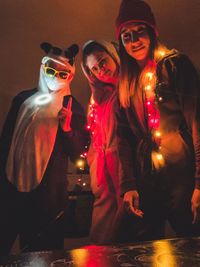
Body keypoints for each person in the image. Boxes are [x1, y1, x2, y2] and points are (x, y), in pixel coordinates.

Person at [113, 0, 200, 242]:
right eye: (126, 36)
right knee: (144, 244)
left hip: (181, 175)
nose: (134, 41)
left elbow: (197, 122)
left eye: (139, 31)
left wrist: (199, 182)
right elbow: (123, 138)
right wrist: (128, 184)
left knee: (190, 240)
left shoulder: (174, 65)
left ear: (151, 30)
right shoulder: (126, 82)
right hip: (146, 178)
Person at [0, 42, 89, 259]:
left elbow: (79, 152)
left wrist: (67, 128)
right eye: (50, 70)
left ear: (70, 75)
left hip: (46, 199)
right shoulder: (23, 99)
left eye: (62, 73)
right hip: (10, 191)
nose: (55, 76)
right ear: (42, 68)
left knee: (43, 255)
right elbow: (6, 141)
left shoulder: (72, 107)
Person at [81, 40, 122, 244]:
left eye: (103, 61)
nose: (101, 70)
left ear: (113, 55)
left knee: (127, 229)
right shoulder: (98, 99)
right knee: (101, 236)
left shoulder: (131, 87)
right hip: (102, 174)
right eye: (94, 68)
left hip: (126, 170)